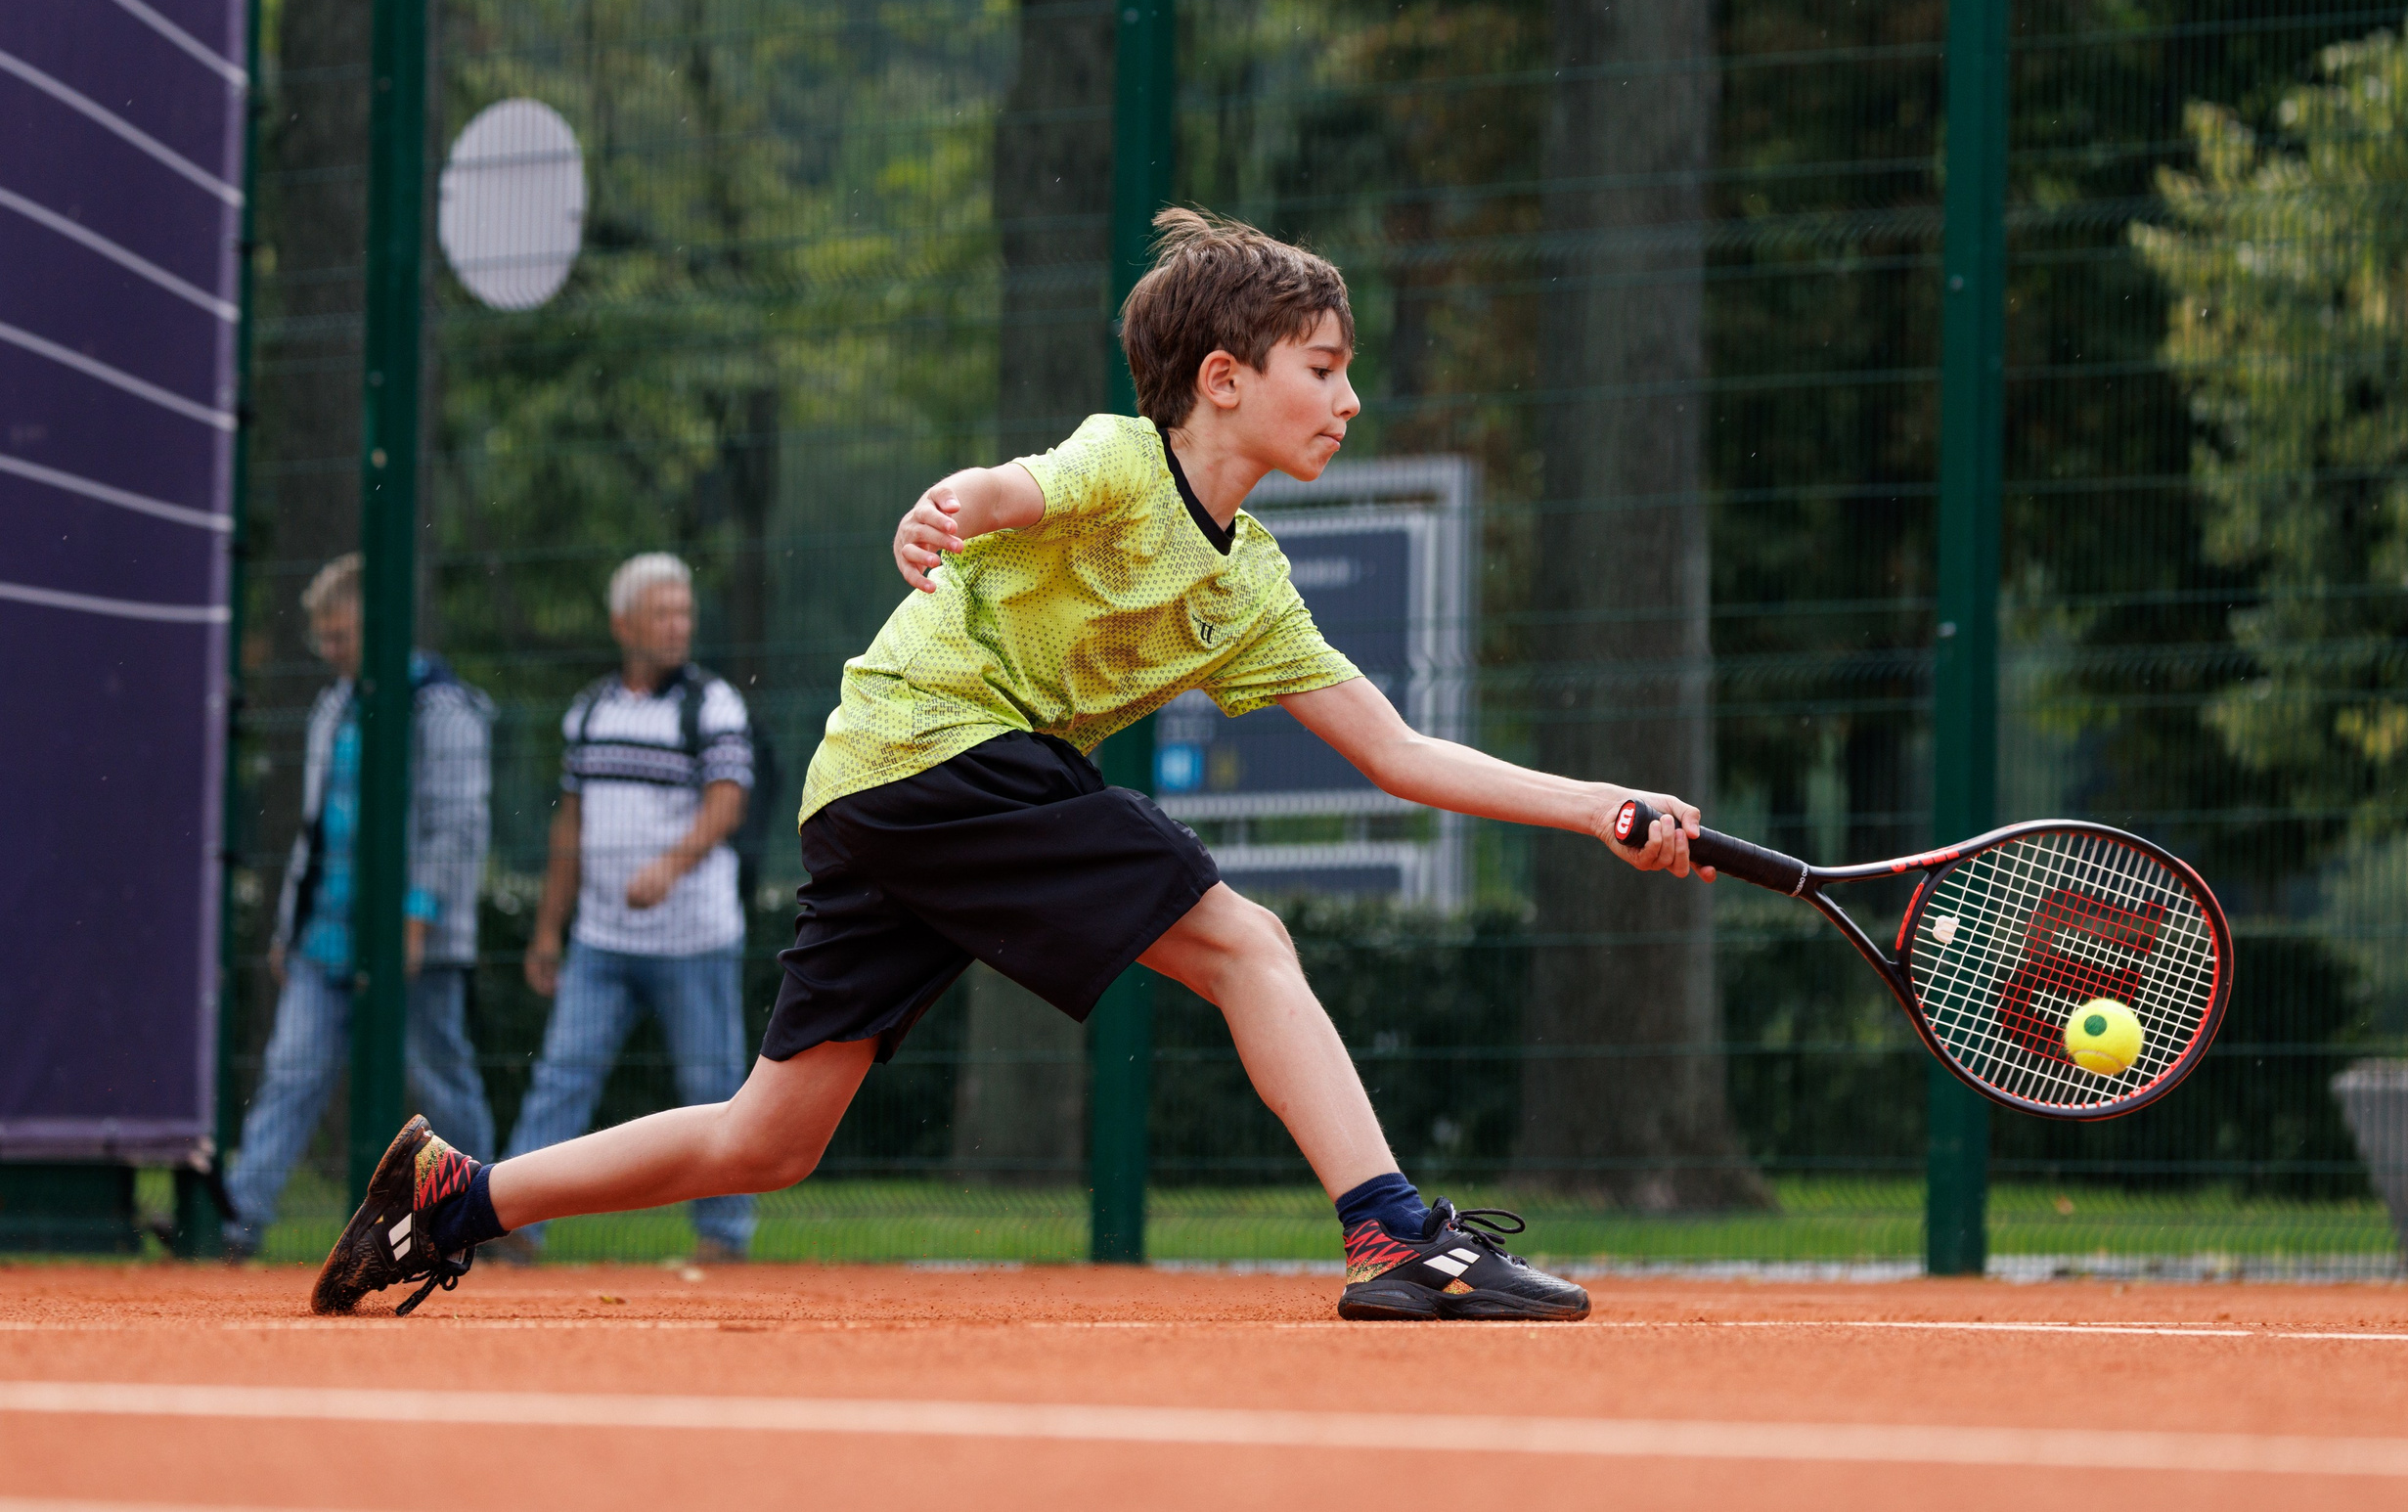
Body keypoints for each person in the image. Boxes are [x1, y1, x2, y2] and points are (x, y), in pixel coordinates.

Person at [312, 209, 1712, 1321]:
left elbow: (1398, 753)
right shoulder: (1121, 461)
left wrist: (1598, 807)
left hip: (886, 791)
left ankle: (447, 1201)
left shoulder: (1252, 589)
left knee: (771, 1138)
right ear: (1224, 382)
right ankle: (1394, 1237)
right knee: (1246, 943)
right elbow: (1016, 487)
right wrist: (951, 506)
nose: (1350, 396)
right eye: (1325, 368)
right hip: (943, 751)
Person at [224, 554, 497, 1255]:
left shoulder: (443, 707)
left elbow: (454, 827)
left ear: (378, 627)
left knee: (441, 1074)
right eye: (323, 637)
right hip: (327, 937)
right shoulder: (333, 704)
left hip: (418, 936)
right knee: (292, 1072)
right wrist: (291, 923)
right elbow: (314, 828)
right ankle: (237, 1221)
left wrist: (414, 919)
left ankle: (491, 1219)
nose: (329, 651)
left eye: (340, 635)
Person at [496, 553, 757, 1263]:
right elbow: (569, 824)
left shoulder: (714, 704)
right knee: (561, 1079)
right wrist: (549, 930)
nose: (678, 627)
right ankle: (515, 1227)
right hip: (600, 942)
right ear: (623, 624)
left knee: (713, 1088)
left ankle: (723, 1237)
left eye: (684, 614)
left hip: (694, 939)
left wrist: (669, 868)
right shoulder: (589, 711)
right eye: (662, 614)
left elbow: (727, 801)